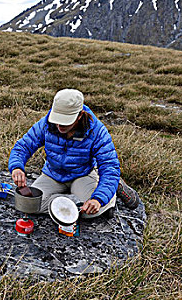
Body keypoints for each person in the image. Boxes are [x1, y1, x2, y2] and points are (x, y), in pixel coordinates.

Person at [8, 89, 139, 219]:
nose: (59, 125)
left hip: (81, 175)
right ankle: (74, 204)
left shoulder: (96, 131)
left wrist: (98, 199)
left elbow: (110, 166)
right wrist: (17, 167)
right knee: (29, 205)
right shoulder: (46, 124)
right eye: (57, 119)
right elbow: (23, 146)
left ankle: (112, 195)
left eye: (66, 121)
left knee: (89, 212)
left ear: (80, 115)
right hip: (52, 175)